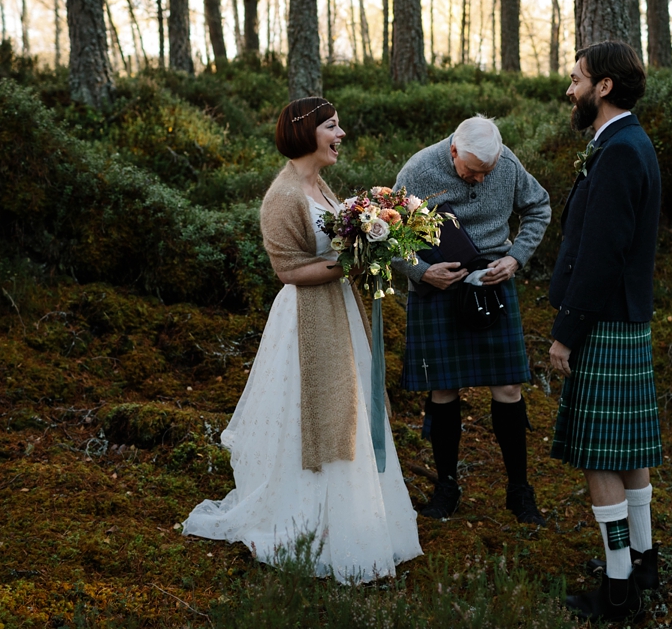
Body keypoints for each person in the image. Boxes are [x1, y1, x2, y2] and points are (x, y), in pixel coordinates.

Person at [182, 97, 422, 583]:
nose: (342, 134)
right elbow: (286, 270)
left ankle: (360, 521)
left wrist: (369, 249)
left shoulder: (320, 185)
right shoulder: (283, 194)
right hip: (307, 322)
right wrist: (354, 260)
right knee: (318, 413)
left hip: (339, 314)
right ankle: (311, 525)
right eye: (332, 126)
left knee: (348, 408)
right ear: (304, 132)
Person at [547, 41, 663, 621]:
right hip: (624, 318)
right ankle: (643, 561)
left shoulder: (618, 151)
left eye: (576, 80)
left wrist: (566, 332)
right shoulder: (627, 143)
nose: (570, 90)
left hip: (605, 322)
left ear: (604, 87)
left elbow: (601, 256)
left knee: (600, 456)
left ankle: (619, 590)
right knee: (629, 450)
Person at [393, 115, 551, 524]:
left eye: (489, 172)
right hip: (437, 289)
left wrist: (515, 257)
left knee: (509, 387)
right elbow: (386, 239)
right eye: (472, 171)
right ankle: (446, 486)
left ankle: (519, 491)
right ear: (453, 152)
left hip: (493, 286)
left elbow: (539, 207)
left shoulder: (507, 164)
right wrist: (421, 272)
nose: (480, 180)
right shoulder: (418, 171)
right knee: (443, 390)